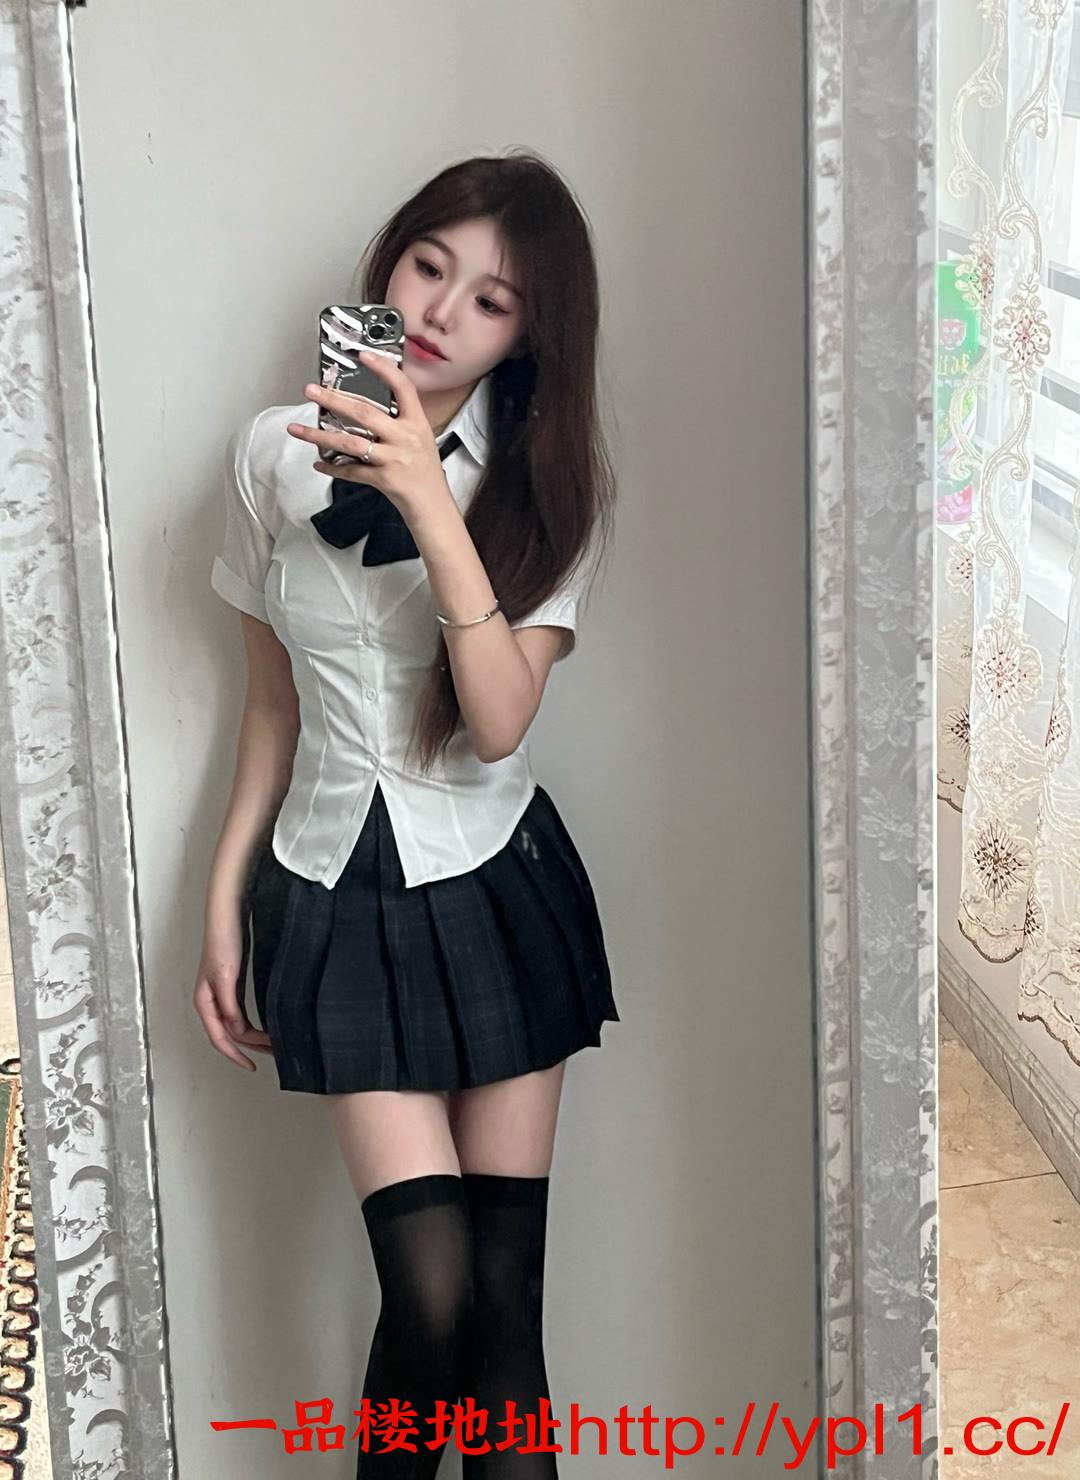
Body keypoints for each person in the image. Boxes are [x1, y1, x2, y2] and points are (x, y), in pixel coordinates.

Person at [194, 149, 620, 1477]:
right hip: (331, 892)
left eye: (491, 299)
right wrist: (223, 897)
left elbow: (497, 720)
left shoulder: (549, 493)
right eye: (430, 265)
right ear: (390, 262)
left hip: (499, 884)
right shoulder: (271, 457)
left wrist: (434, 501)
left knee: (501, 1317)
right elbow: (272, 704)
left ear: (527, 335)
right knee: (429, 1296)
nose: (441, 309)